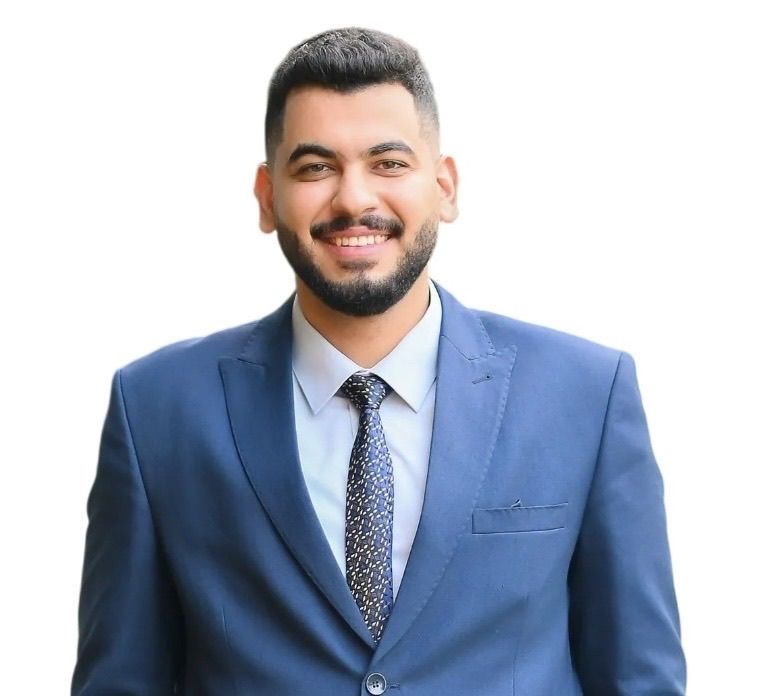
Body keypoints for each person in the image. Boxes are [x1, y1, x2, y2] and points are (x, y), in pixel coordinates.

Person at [72, 27, 686, 695]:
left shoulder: (586, 396)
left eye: (389, 163)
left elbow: (640, 680)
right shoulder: (155, 408)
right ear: (267, 196)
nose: (354, 199)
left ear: (444, 187)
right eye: (315, 167)